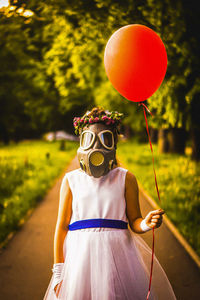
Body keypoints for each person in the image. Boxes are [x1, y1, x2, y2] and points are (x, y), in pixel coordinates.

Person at [43, 107, 176, 300]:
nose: (96, 146)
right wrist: (59, 271)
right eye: (90, 138)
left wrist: (146, 223)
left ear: (113, 142)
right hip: (80, 260)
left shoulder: (126, 178)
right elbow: (62, 227)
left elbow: (135, 220)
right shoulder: (71, 180)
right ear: (82, 140)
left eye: (105, 139)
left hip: (118, 256)